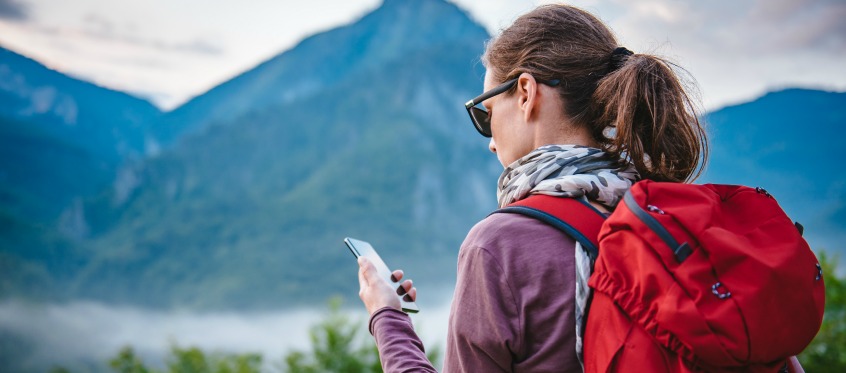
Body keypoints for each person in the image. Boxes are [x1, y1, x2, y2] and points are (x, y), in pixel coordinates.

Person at [357, 4, 707, 372]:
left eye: (485, 114)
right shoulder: (667, 216)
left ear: (525, 92)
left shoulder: (500, 246)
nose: (491, 142)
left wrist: (387, 317)